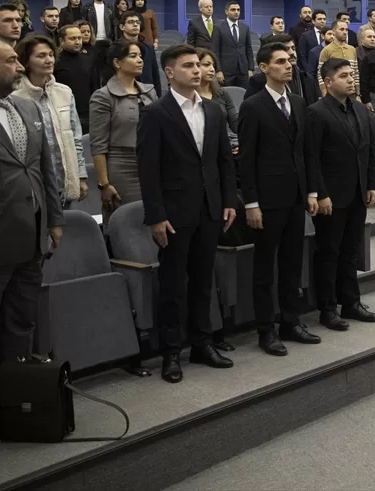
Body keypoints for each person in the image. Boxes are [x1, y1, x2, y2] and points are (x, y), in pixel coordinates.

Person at [0, 39, 64, 457]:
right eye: (10, 61)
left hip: (32, 239)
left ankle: (14, 406)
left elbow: (45, 168)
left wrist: (54, 220)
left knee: (21, 328)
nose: (20, 67)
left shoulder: (27, 108)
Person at [135, 45, 236, 383]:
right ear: (169, 72)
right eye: (188, 65)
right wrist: (155, 215)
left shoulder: (214, 110)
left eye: (198, 65)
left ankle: (202, 343)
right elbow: (148, 170)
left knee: (203, 280)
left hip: (209, 208)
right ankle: (171, 352)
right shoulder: (155, 113)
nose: (197, 70)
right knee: (173, 285)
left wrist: (228, 200)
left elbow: (223, 160)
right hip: (174, 212)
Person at [238, 44, 317, 356]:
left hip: (296, 196)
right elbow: (246, 159)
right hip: (267, 200)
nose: (288, 66)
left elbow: (306, 151)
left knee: (292, 263)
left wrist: (311, 191)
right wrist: (251, 203)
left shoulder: (298, 102)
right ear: (263, 67)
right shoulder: (252, 106)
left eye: (290, 61)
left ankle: (290, 321)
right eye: (280, 61)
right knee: (264, 269)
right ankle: (265, 329)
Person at [305, 57, 375, 332]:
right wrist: (320, 193)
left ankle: (351, 301)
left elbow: (370, 151)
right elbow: (312, 158)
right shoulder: (316, 112)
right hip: (331, 196)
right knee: (329, 252)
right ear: (328, 82)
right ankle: (327, 309)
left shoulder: (360, 109)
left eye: (351, 75)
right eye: (344, 76)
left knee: (350, 251)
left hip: (358, 191)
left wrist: (372, 184)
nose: (351, 80)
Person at [13, 36, 88, 206]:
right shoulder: (14, 96)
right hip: (31, 185)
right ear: (26, 61)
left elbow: (75, 138)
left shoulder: (64, 92)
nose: (49, 60)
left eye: (51, 55)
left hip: (63, 180)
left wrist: (81, 175)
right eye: (41, 56)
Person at [90, 40, 157, 214]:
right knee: (129, 219)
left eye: (140, 56)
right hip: (122, 166)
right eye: (133, 56)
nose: (140, 60)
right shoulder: (103, 96)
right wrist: (104, 184)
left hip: (152, 164)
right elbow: (98, 145)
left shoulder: (149, 92)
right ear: (117, 62)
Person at [52, 24, 93, 131]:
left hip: (87, 114)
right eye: (72, 38)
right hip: (64, 114)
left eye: (79, 38)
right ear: (62, 41)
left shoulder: (87, 60)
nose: (77, 42)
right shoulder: (55, 62)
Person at [195, 48, 240, 142]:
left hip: (223, 143)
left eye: (213, 66)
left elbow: (236, 124)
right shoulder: (187, 96)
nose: (212, 69)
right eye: (206, 65)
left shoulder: (221, 93)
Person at [210, 1, 253, 88]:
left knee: (243, 94)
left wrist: (250, 68)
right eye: (233, 10)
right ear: (226, 11)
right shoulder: (218, 27)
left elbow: (249, 49)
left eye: (238, 10)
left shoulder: (245, 28)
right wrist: (218, 70)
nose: (236, 12)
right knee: (227, 94)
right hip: (226, 71)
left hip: (243, 71)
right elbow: (215, 51)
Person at [118, 10, 163, 89]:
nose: (135, 24)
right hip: (122, 91)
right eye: (130, 22)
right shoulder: (115, 48)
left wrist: (156, 95)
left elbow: (155, 76)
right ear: (122, 27)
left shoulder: (149, 49)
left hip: (147, 92)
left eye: (137, 22)